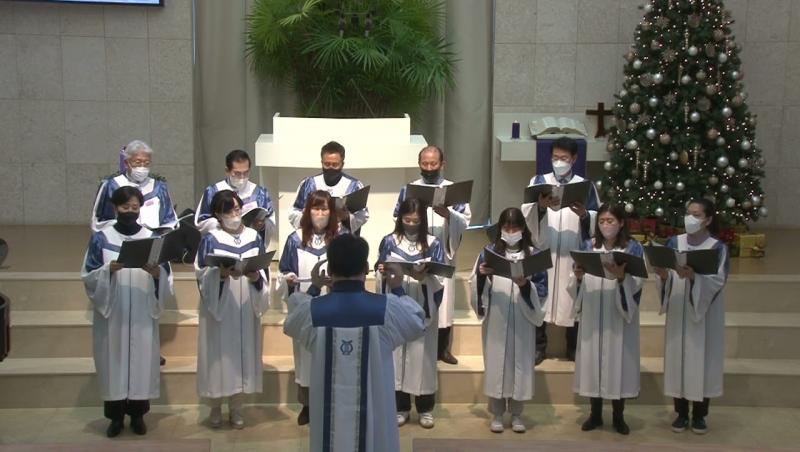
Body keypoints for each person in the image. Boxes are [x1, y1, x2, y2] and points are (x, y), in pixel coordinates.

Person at [284, 234, 426, 452]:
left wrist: (314, 288)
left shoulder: (312, 311)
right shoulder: (386, 308)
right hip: (375, 416)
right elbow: (417, 322)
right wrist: (397, 288)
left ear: (330, 270)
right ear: (366, 268)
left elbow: (291, 322)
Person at [81, 186, 174, 438]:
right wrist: (108, 270)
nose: (130, 211)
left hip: (142, 311)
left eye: (135, 207)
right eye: (125, 207)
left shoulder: (152, 237)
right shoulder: (102, 238)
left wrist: (157, 274)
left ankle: (138, 415)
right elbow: (88, 275)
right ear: (115, 208)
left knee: (141, 363)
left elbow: (165, 275)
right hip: (114, 313)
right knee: (114, 363)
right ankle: (115, 417)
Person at [195, 190, 270, 429]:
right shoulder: (211, 238)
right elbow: (201, 272)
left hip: (246, 302)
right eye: (228, 211)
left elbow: (264, 270)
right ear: (218, 214)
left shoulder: (253, 237)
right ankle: (215, 407)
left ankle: (237, 408)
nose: (234, 215)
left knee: (242, 355)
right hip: (221, 305)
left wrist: (256, 277)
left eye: (237, 209)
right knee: (218, 356)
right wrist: (219, 275)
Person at [654, 198, 729, 435]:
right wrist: (663, 275)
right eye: (688, 213)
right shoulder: (674, 242)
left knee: (702, 360)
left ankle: (699, 415)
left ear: (708, 219)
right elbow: (666, 274)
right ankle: (680, 413)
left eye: (696, 214)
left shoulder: (717, 247)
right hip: (679, 310)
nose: (690, 218)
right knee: (678, 359)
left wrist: (695, 277)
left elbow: (718, 281)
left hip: (704, 315)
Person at [567, 204, 644, 435]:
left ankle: (618, 416)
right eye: (601, 221)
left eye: (610, 221)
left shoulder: (633, 247)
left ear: (621, 223)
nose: (605, 225)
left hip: (617, 315)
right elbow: (575, 278)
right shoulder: (588, 246)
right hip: (593, 310)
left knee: (617, 363)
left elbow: (637, 283)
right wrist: (577, 277)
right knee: (593, 363)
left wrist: (621, 278)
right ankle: (595, 414)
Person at [522, 136, 600, 364]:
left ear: (574, 159)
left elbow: (597, 217)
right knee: (540, 295)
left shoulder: (584, 185)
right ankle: (539, 346)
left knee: (573, 295)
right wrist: (540, 207)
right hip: (544, 247)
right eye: (555, 157)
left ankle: (573, 346)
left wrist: (584, 215)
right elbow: (527, 212)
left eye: (564, 158)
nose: (559, 162)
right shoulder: (539, 181)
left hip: (571, 249)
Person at [470, 207, 547, 434]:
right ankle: (496, 413)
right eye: (506, 227)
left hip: (522, 319)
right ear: (500, 229)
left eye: (515, 227)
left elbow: (543, 290)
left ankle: (517, 413)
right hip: (497, 316)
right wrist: (482, 276)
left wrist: (525, 285)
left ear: (523, 228)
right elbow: (475, 284)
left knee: (520, 366)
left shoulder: (534, 255)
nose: (511, 232)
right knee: (496, 364)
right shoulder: (488, 253)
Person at [393, 145, 471, 365]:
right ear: (419, 164)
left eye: (433, 163)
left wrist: (448, 214)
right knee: (418, 296)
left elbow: (465, 220)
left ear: (442, 164)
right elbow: (397, 216)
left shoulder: (454, 190)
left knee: (443, 302)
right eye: (425, 164)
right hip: (415, 250)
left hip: (443, 250)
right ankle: (415, 342)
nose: (429, 168)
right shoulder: (409, 189)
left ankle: (442, 349)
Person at [377, 198, 445, 429]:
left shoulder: (434, 243)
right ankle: (401, 407)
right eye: (407, 220)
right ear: (400, 219)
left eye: (416, 221)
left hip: (422, 302)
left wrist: (423, 277)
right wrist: (383, 271)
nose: (411, 225)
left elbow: (441, 278)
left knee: (422, 357)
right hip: (396, 301)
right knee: (397, 356)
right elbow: (380, 267)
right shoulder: (389, 241)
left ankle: (425, 408)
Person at [277, 190, 343, 426]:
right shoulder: (295, 239)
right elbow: (284, 270)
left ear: (331, 212)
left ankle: (331, 404)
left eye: (324, 209)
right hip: (306, 302)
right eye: (316, 208)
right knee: (305, 356)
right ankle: (307, 405)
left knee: (332, 355)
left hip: (333, 304)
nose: (320, 213)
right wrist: (288, 279)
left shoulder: (340, 238)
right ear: (307, 211)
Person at [91, 140, 178, 232]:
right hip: (120, 238)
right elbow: (100, 221)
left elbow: (169, 219)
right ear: (126, 163)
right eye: (138, 162)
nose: (142, 166)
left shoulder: (159, 187)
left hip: (153, 237)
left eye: (146, 163)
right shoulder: (111, 186)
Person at [195, 149, 276, 247]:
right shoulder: (213, 191)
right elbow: (201, 222)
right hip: (222, 245)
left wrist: (263, 225)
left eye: (246, 173)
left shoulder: (260, 193)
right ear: (227, 171)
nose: (242, 177)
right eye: (237, 173)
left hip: (250, 246)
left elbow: (271, 219)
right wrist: (224, 223)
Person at [289, 141, 369, 234]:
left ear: (342, 164)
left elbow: (363, 215)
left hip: (343, 239)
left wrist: (346, 217)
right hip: (313, 239)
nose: (331, 168)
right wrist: (310, 217)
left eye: (335, 165)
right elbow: (293, 213)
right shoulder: (308, 184)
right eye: (327, 164)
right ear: (321, 163)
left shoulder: (355, 186)